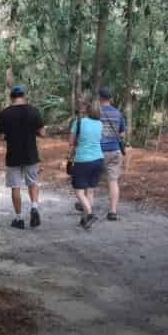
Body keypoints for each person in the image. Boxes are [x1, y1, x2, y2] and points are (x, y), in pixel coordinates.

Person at [0, 85, 45, 229]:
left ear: (11, 97)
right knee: (33, 182)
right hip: (31, 154)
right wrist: (32, 132)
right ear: (23, 96)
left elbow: (1, 136)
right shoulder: (33, 111)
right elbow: (42, 133)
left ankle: (19, 219)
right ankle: (34, 207)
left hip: (13, 156)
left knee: (15, 187)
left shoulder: (5, 113)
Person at [69, 91, 104, 229]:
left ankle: (89, 214)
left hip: (83, 160)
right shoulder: (99, 124)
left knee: (79, 192)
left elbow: (71, 142)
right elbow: (97, 139)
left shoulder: (78, 122)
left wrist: (78, 140)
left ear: (86, 108)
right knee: (90, 191)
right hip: (98, 160)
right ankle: (85, 220)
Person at [98, 87, 126, 220]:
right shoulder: (118, 113)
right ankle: (113, 211)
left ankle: (86, 205)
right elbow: (122, 134)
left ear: (99, 98)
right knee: (113, 181)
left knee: (90, 180)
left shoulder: (95, 113)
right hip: (115, 151)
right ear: (110, 98)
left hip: (98, 151)